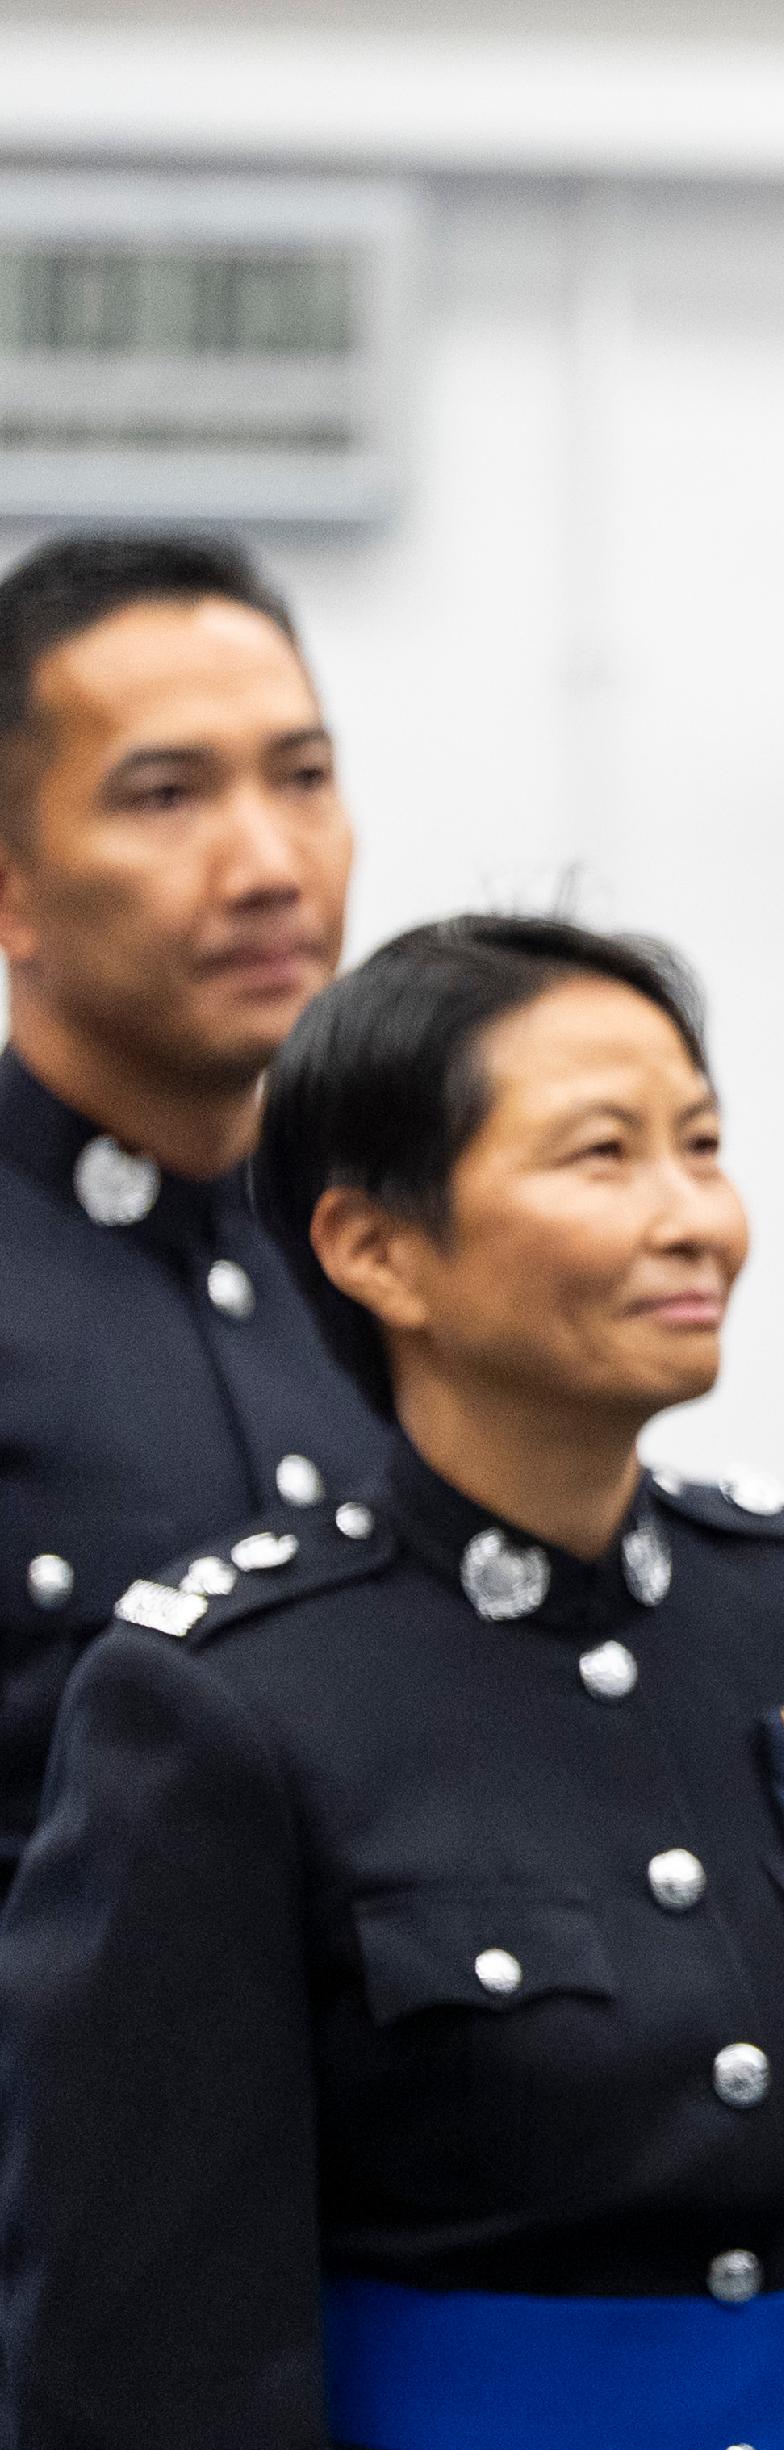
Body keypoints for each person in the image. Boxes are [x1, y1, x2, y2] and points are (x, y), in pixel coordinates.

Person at [0, 914, 784, 2450]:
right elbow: (145, 2377)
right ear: (375, 1248)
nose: (693, 1218)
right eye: (601, 1156)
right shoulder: (224, 1702)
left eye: (701, 1147)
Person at [0, 529, 380, 1891]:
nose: (269, 864)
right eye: (166, 797)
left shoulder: (402, 1271)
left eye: (305, 779)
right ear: (12, 886)